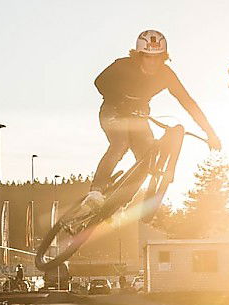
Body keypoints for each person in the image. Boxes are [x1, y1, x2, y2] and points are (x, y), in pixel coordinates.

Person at [82, 29, 221, 211]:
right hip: (113, 110)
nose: (153, 63)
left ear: (164, 57)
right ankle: (96, 191)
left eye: (158, 58)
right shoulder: (123, 65)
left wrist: (210, 132)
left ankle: (119, 203)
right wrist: (120, 100)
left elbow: (188, 102)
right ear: (139, 56)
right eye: (148, 57)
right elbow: (99, 82)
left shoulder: (166, 74)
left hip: (137, 117)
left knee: (147, 158)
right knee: (121, 143)